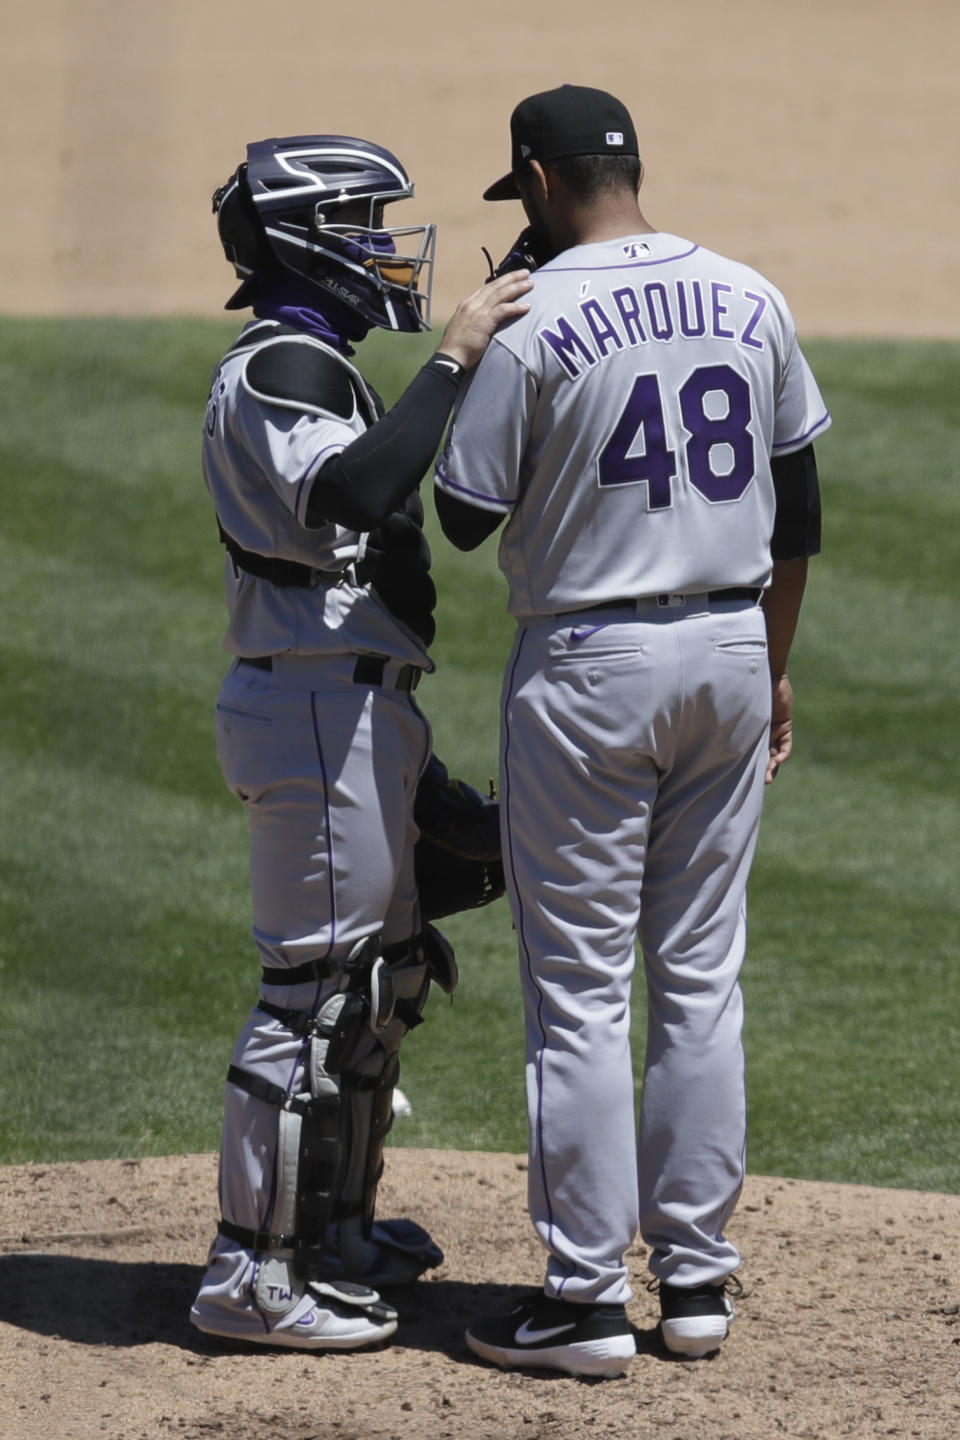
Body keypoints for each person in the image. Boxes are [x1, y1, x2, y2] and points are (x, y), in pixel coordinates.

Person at [433, 85, 829, 1377]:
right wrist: (768, 669)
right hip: (727, 646)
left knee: (583, 991)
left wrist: (478, 345)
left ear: (539, 182)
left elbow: (459, 515)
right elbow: (800, 507)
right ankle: (700, 1287)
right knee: (701, 975)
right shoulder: (750, 293)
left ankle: (586, 1300)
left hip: (592, 666)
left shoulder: (536, 313)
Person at [189, 134, 531, 1352]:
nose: (388, 249)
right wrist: (452, 357)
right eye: (368, 225)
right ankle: (252, 1274)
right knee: (314, 998)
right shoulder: (282, 361)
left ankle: (335, 1231)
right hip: (316, 706)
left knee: (379, 987)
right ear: (307, 235)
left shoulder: (315, 358)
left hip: (354, 704)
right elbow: (356, 494)